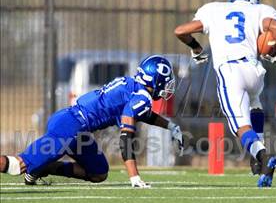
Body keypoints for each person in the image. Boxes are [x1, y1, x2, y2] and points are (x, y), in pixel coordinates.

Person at [0, 55, 184, 188]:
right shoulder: (142, 97)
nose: (168, 85)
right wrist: (134, 177)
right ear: (155, 79)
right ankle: (36, 166)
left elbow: (143, 114)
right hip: (70, 126)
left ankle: (44, 167)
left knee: (98, 172)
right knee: (17, 166)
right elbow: (126, 137)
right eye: (166, 80)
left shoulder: (133, 87)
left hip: (76, 127)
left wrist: (171, 126)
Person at [174, 0, 276, 187]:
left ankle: (261, 156)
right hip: (255, 70)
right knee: (255, 105)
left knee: (239, 125)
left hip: (230, 71)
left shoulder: (214, 9)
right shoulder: (262, 10)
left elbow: (180, 31)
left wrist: (196, 48)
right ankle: (257, 153)